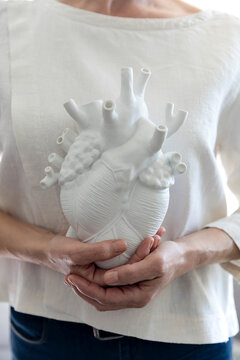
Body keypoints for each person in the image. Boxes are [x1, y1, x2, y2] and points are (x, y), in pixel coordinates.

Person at [0, 0, 240, 359]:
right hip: (48, 329)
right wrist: (47, 250)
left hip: (185, 331)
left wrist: (184, 256)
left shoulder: (227, 40)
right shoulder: (11, 25)